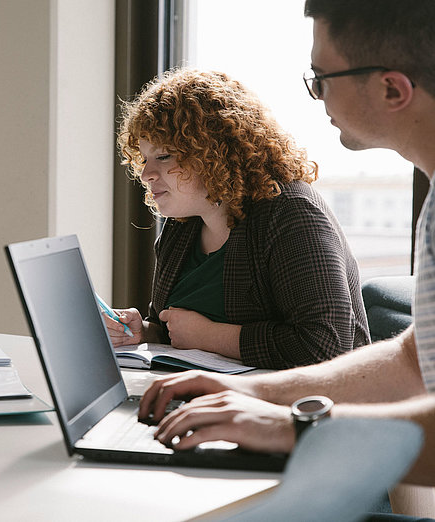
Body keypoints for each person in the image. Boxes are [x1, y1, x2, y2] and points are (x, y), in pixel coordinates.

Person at [137, 0, 435, 490]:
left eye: (321, 77)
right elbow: (413, 360)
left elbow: (326, 345)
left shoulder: (291, 213)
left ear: (391, 88)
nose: (315, 95)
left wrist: (286, 425)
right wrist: (242, 390)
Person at [107, 68, 369, 369]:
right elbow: (177, 330)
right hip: (220, 396)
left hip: (303, 407)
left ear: (214, 152)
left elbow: (325, 347)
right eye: (144, 159)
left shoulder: (293, 215)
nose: (146, 174)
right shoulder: (183, 225)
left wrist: (209, 336)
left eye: (164, 157)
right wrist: (144, 332)